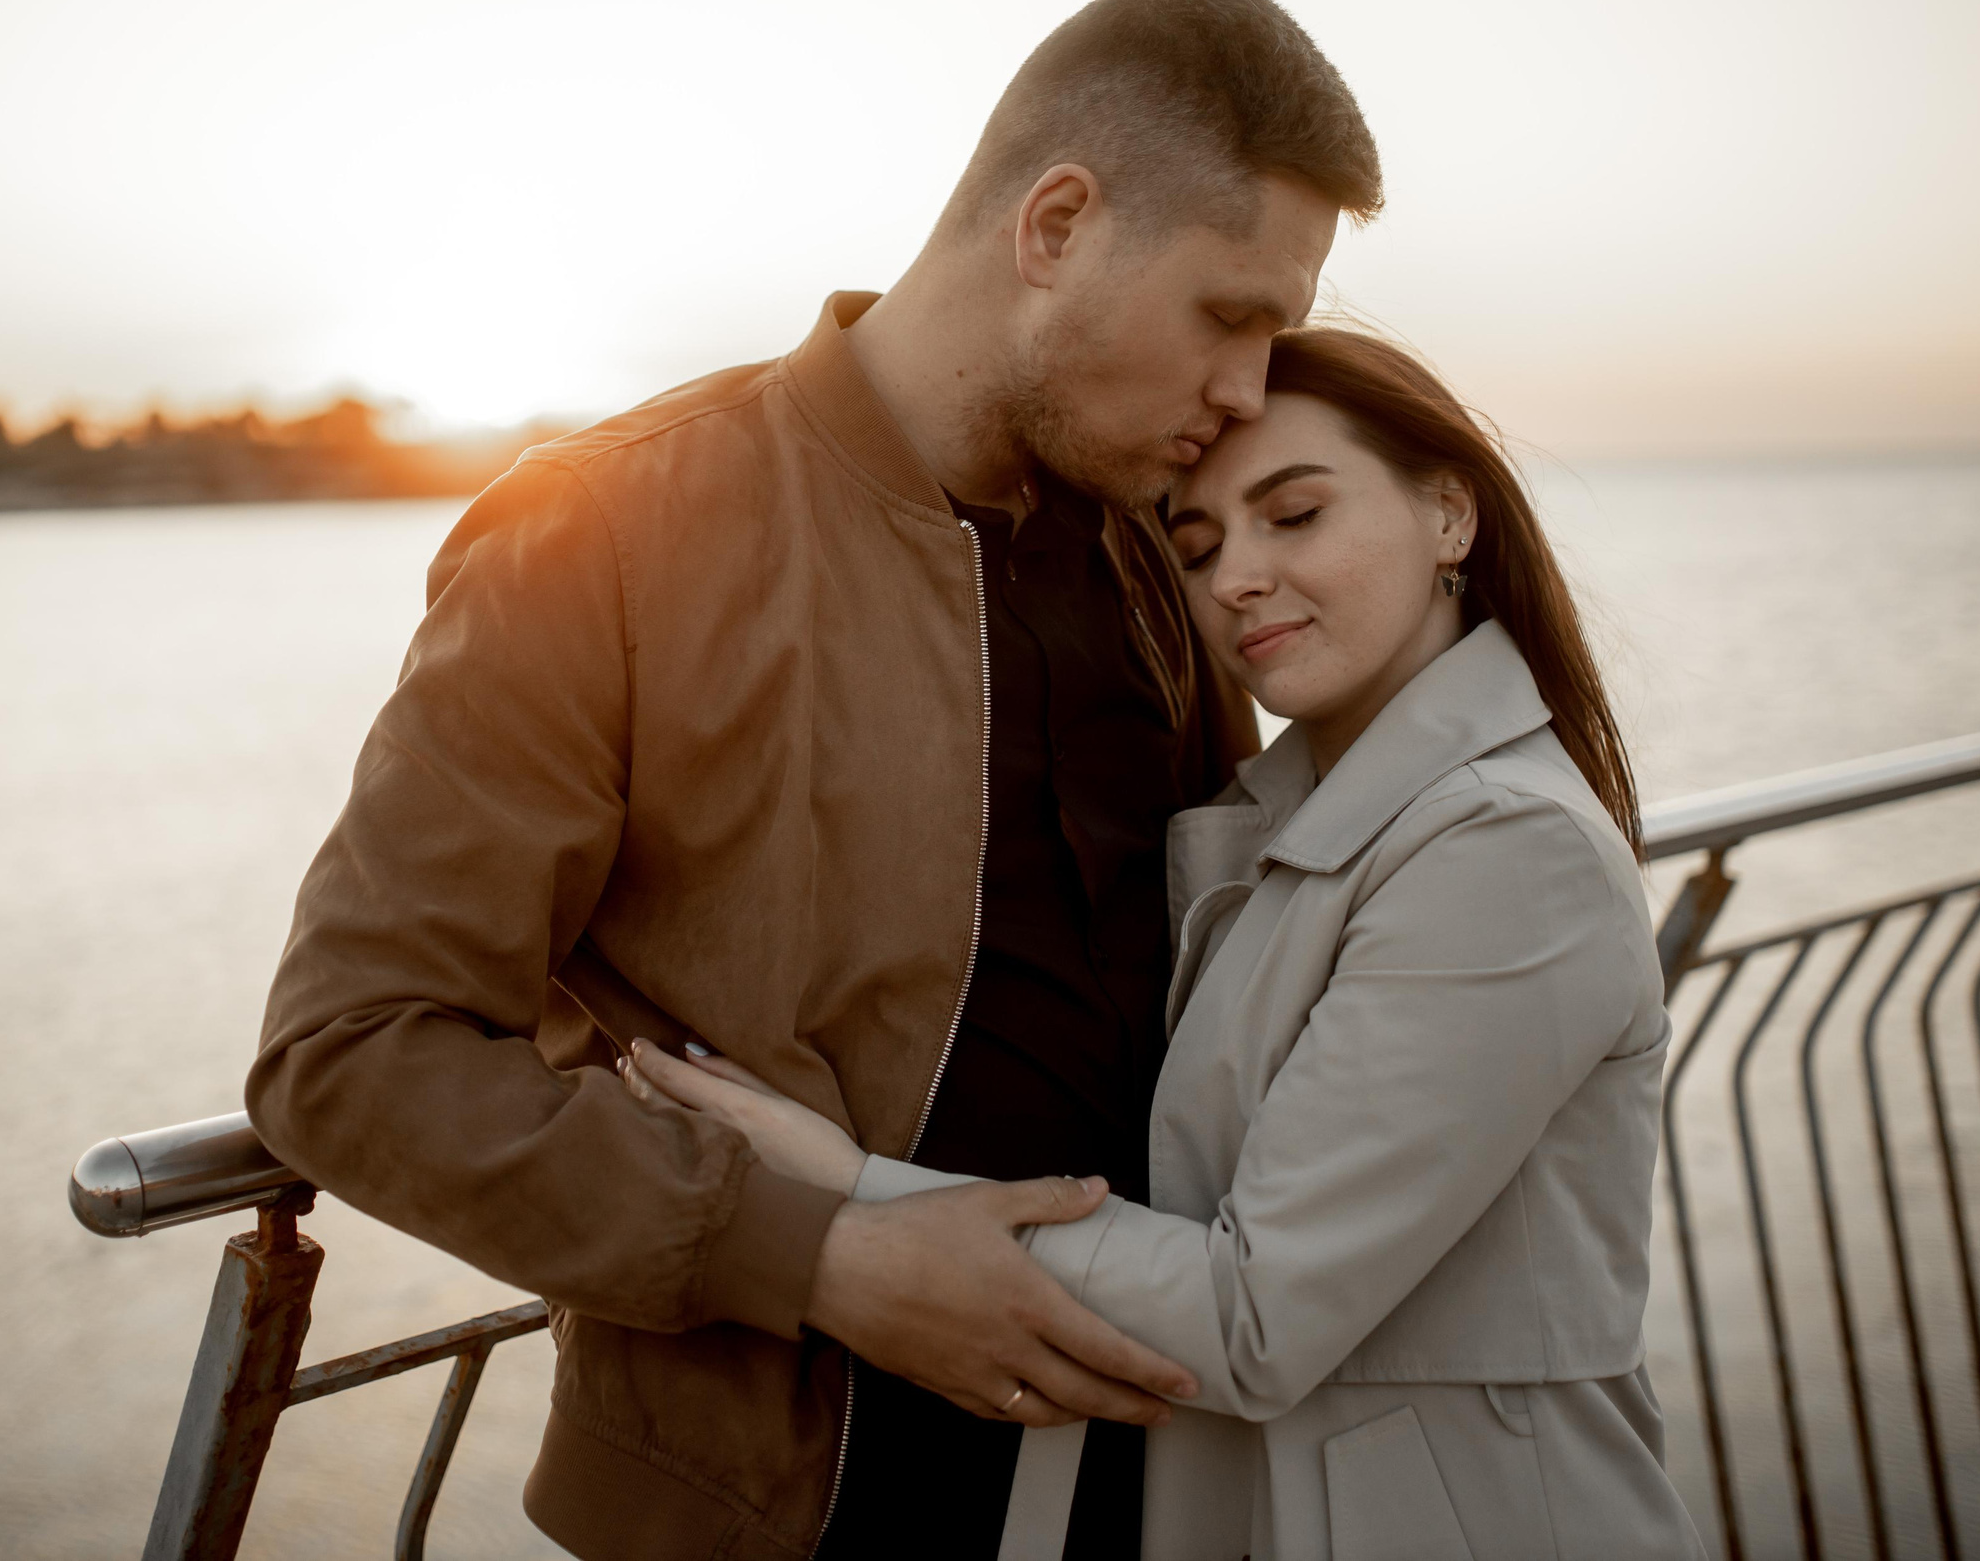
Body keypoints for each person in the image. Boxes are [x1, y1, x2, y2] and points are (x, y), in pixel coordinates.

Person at [246, 0, 1384, 1560]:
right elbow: (351, 1049)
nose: (1248, 389)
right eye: (1230, 314)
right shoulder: (610, 530)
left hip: (1162, 1466)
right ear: (1055, 226)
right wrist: (823, 1254)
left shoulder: (1162, 558)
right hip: (777, 1509)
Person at [624, 328, 1710, 1558]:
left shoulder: (1506, 852)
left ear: (1449, 514)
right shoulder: (1310, 815)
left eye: (1294, 515)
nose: (1238, 576)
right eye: (1197, 549)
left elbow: (1255, 1312)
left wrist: (841, 1181)